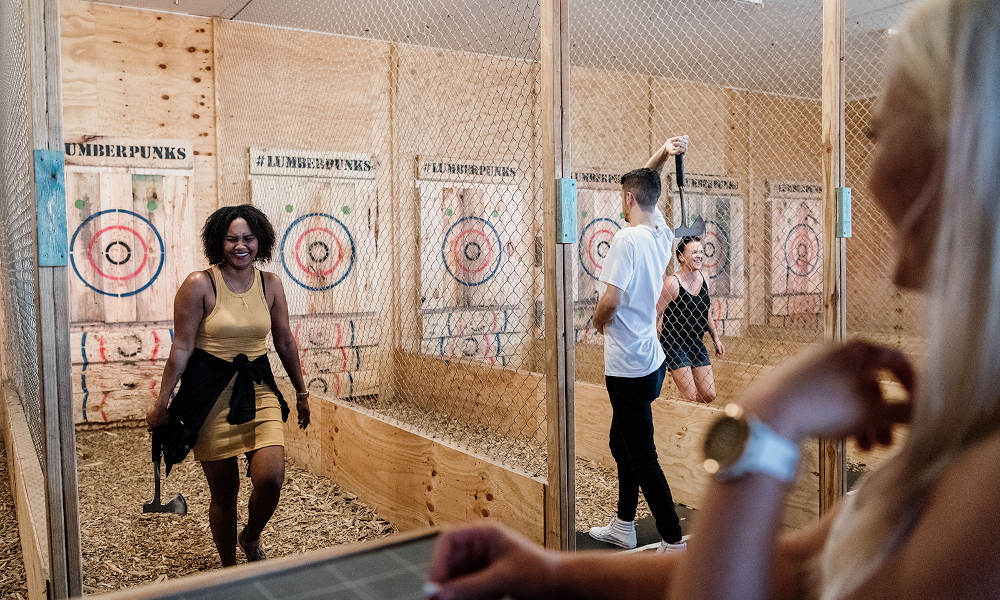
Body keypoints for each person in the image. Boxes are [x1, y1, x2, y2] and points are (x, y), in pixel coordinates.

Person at [426, 0, 1000, 598]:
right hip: (651, 353)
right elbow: (801, 565)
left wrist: (768, 420)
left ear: (973, 147)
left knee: (636, 446)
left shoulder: (987, 489)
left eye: (890, 131)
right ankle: (638, 524)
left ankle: (662, 527)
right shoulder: (970, 426)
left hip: (636, 356)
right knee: (635, 444)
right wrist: (551, 573)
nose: (872, 176)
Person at [146, 204, 310, 567]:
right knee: (225, 492)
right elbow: (182, 346)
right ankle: (229, 570)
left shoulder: (271, 284)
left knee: (270, 478)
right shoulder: (199, 284)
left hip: (258, 389)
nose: (241, 246)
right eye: (232, 238)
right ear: (219, 242)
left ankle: (250, 536)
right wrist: (162, 402)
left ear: (260, 241)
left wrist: (301, 392)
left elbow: (284, 341)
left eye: (248, 238)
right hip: (209, 396)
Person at [586, 135, 688, 552]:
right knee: (620, 442)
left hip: (627, 367)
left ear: (627, 198)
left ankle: (673, 540)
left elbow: (610, 301)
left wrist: (596, 322)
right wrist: (663, 155)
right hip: (651, 363)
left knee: (642, 455)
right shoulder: (660, 233)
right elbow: (649, 182)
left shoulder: (627, 239)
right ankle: (624, 524)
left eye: (622, 197)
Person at [657, 236, 724, 403]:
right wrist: (654, 345)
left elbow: (705, 310)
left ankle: (693, 421)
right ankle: (685, 426)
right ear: (681, 257)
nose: (699, 255)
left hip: (696, 342)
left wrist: (715, 338)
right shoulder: (672, 282)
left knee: (709, 395)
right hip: (674, 343)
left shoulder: (704, 277)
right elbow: (655, 314)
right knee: (690, 396)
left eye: (701, 252)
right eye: (694, 252)